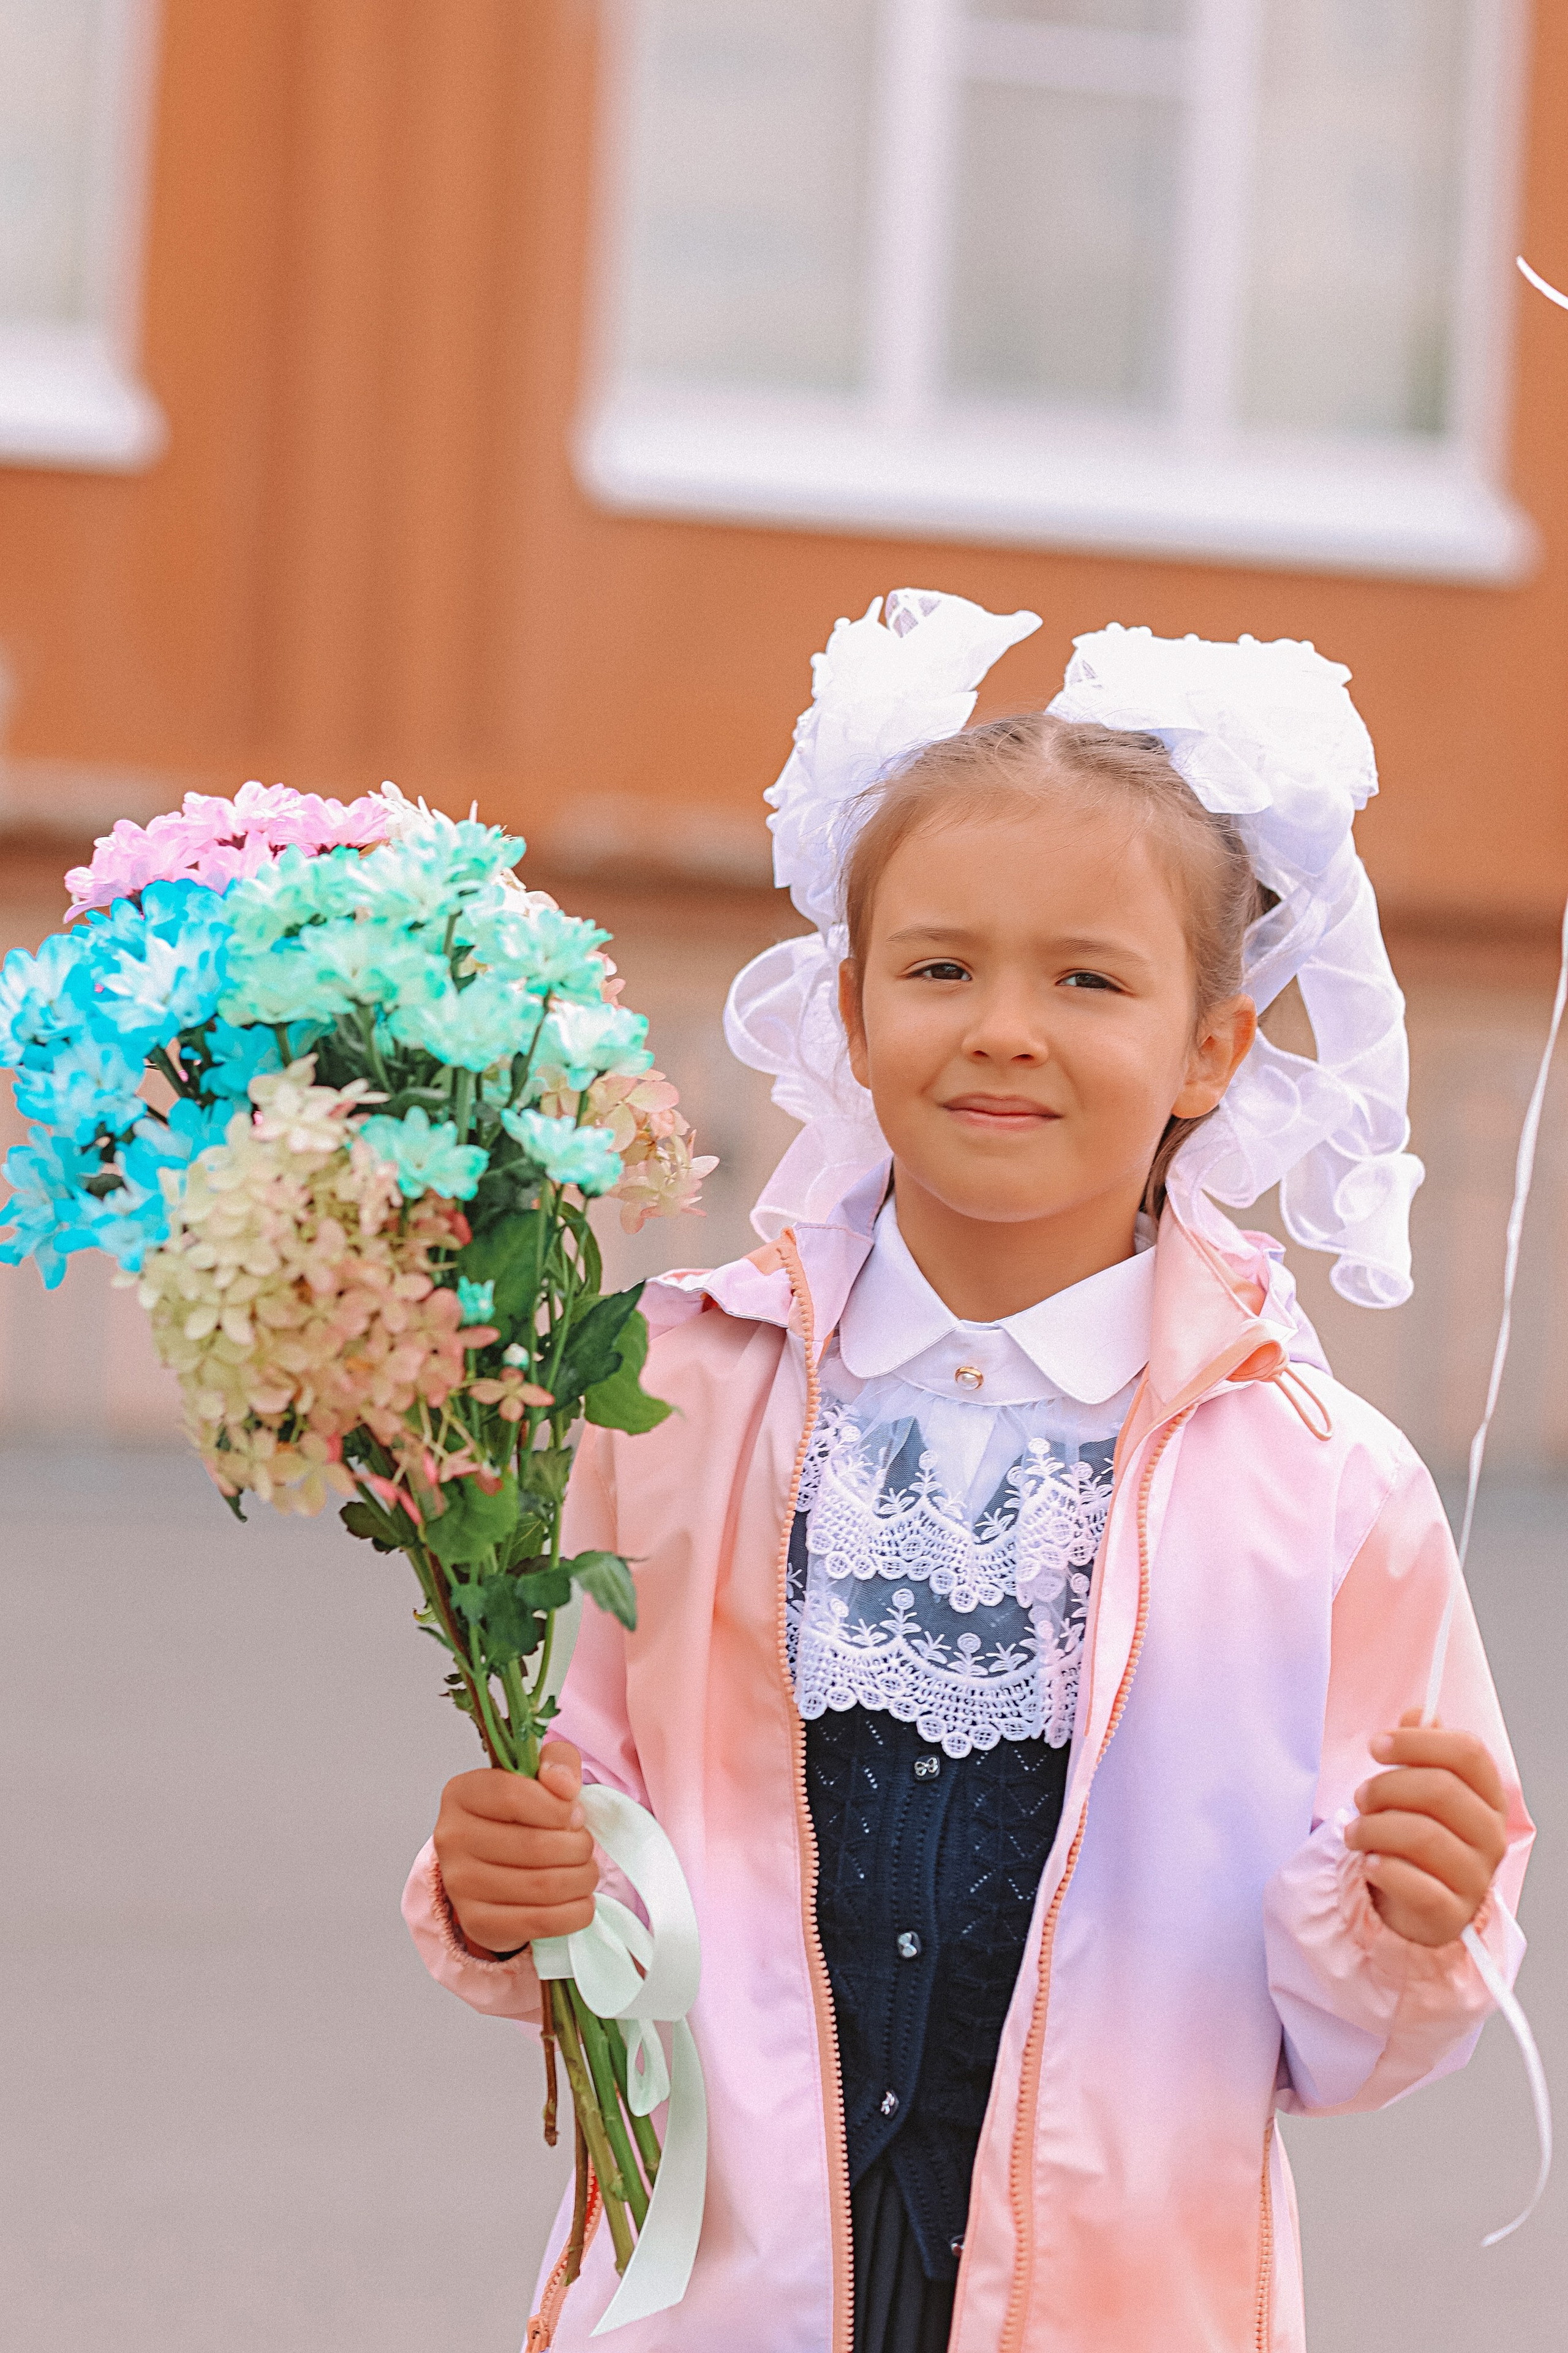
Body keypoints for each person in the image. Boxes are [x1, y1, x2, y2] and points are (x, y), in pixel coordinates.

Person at [403, 595, 1529, 2353]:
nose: (1005, 1026)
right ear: (849, 1014)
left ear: (1214, 1049)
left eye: (1088, 977)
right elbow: (594, 1823)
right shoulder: (670, 1396)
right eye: (941, 968)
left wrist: (1410, 1908)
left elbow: (1350, 2040)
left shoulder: (1326, 1490)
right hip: (718, 2294)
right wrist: (507, 1885)